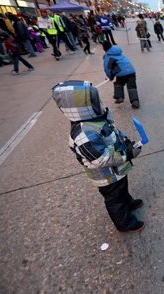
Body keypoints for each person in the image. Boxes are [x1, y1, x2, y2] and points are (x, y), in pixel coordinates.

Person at [51, 80, 145, 233]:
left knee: (122, 188)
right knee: (114, 199)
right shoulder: (83, 134)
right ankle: (124, 223)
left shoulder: (97, 118)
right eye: (95, 101)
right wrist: (127, 154)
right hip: (106, 177)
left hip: (117, 170)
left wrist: (126, 142)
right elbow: (100, 159)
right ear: (81, 109)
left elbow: (113, 131)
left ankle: (128, 203)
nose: (99, 103)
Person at [102, 41, 140, 109]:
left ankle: (119, 97)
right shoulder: (117, 51)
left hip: (121, 73)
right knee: (132, 86)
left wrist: (110, 77)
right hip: (131, 70)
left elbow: (108, 69)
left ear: (104, 49)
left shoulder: (108, 57)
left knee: (118, 83)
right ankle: (135, 101)